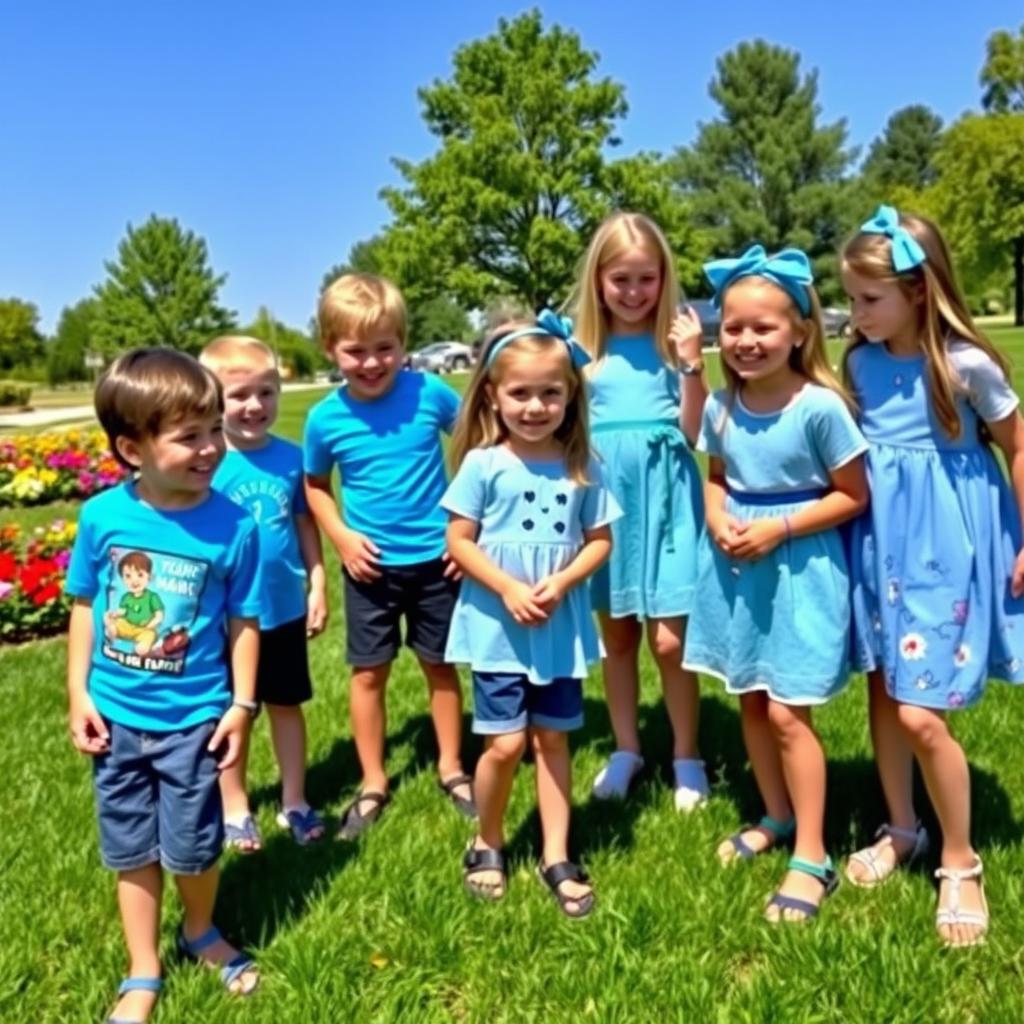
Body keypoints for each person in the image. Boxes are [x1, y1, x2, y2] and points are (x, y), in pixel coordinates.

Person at [841, 205, 1024, 946]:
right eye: (850, 299)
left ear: (919, 290)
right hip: (877, 542)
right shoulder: (858, 363)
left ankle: (960, 858)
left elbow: (1016, 445)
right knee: (887, 690)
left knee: (923, 710)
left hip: (945, 547)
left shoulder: (965, 366)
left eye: (868, 299)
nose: (855, 314)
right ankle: (903, 826)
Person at [65, 348, 262, 1024]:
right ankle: (143, 969)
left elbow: (244, 622)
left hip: (195, 721)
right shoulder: (102, 519)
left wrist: (241, 705)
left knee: (194, 844)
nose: (212, 447)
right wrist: (78, 694)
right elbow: (86, 605)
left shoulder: (236, 525)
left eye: (214, 427)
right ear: (131, 448)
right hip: (116, 720)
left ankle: (200, 930)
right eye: (190, 435)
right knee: (130, 847)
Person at [682, 246, 868, 922]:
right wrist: (716, 517)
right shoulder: (722, 407)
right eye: (733, 327)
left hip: (800, 569)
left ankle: (813, 854)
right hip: (737, 569)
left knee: (791, 711)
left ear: (800, 331)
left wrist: (778, 528)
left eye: (763, 327)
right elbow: (716, 475)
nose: (746, 341)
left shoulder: (819, 408)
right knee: (752, 700)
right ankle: (777, 814)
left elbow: (853, 494)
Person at [444, 311, 620, 917]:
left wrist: (564, 580)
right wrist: (509, 590)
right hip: (499, 629)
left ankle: (555, 852)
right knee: (504, 744)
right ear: (494, 396)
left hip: (558, 628)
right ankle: (487, 840)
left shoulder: (581, 465)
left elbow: (600, 540)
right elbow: (459, 541)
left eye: (551, 392)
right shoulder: (484, 464)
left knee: (552, 741)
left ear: (571, 395)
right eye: (521, 393)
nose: (536, 406)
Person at [303, 273, 475, 838]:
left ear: (405, 344)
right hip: (369, 567)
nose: (373, 362)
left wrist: (465, 531)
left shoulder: (430, 394)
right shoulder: (325, 418)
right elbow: (315, 486)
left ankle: (452, 767)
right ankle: (373, 779)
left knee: (439, 665)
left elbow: (478, 447)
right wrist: (342, 538)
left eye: (386, 348)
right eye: (356, 351)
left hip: (437, 560)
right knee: (369, 674)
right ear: (331, 348)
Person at [573, 211, 709, 809]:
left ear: (664, 278)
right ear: (599, 281)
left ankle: (687, 755)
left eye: (646, 279)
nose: (633, 292)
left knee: (671, 641)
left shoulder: (674, 344)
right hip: (608, 504)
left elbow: (695, 428)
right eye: (620, 279)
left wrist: (692, 365)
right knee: (619, 636)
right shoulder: (582, 351)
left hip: (670, 499)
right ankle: (627, 747)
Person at [201, 335, 327, 849]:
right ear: (212, 399)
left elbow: (304, 525)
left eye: (266, 393)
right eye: (239, 395)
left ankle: (294, 800)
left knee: (285, 704)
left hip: (282, 608)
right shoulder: (207, 462)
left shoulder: (291, 459)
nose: (254, 406)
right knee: (235, 710)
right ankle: (234, 807)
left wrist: (318, 581)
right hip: (224, 618)